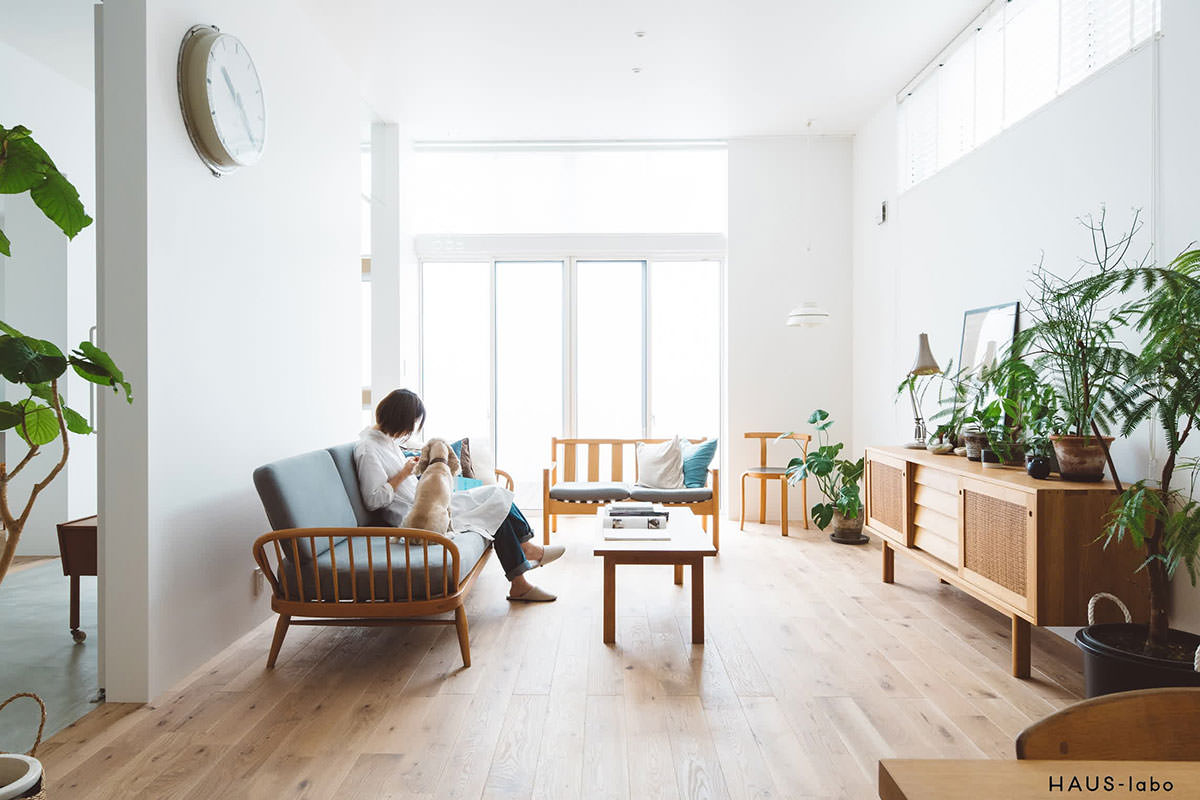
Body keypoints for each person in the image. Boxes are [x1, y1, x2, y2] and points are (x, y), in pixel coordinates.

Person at [354, 388, 563, 602]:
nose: (409, 432)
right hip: (419, 518)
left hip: (431, 503)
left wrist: (417, 471)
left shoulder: (387, 442)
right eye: (410, 425)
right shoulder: (368, 449)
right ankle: (525, 564)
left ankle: (525, 562)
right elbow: (373, 500)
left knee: (497, 495)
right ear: (397, 420)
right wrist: (404, 473)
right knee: (494, 503)